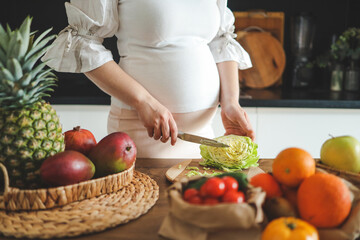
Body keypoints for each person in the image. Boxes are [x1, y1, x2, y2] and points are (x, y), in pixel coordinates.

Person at [42, 0, 255, 159]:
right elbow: (83, 43)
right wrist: (143, 101)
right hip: (144, 135)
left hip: (204, 136)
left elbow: (221, 39)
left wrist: (230, 102)